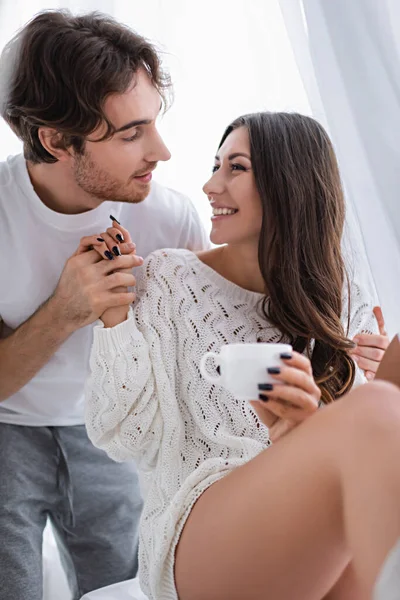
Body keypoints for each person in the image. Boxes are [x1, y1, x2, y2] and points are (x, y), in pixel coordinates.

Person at [85, 112, 397, 600]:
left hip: (305, 516)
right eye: (216, 165)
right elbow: (127, 438)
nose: (211, 185)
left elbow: (345, 459)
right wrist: (115, 321)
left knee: (381, 412)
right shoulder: (171, 279)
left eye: (236, 167)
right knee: (376, 414)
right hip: (198, 524)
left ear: (287, 183)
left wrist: (367, 382)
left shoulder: (343, 297)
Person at [0, 10, 209, 600]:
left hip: (116, 433)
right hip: (6, 432)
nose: (161, 151)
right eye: (130, 133)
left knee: (129, 587)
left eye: (155, 125)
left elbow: (202, 365)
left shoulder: (171, 217)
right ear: (55, 139)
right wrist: (66, 308)